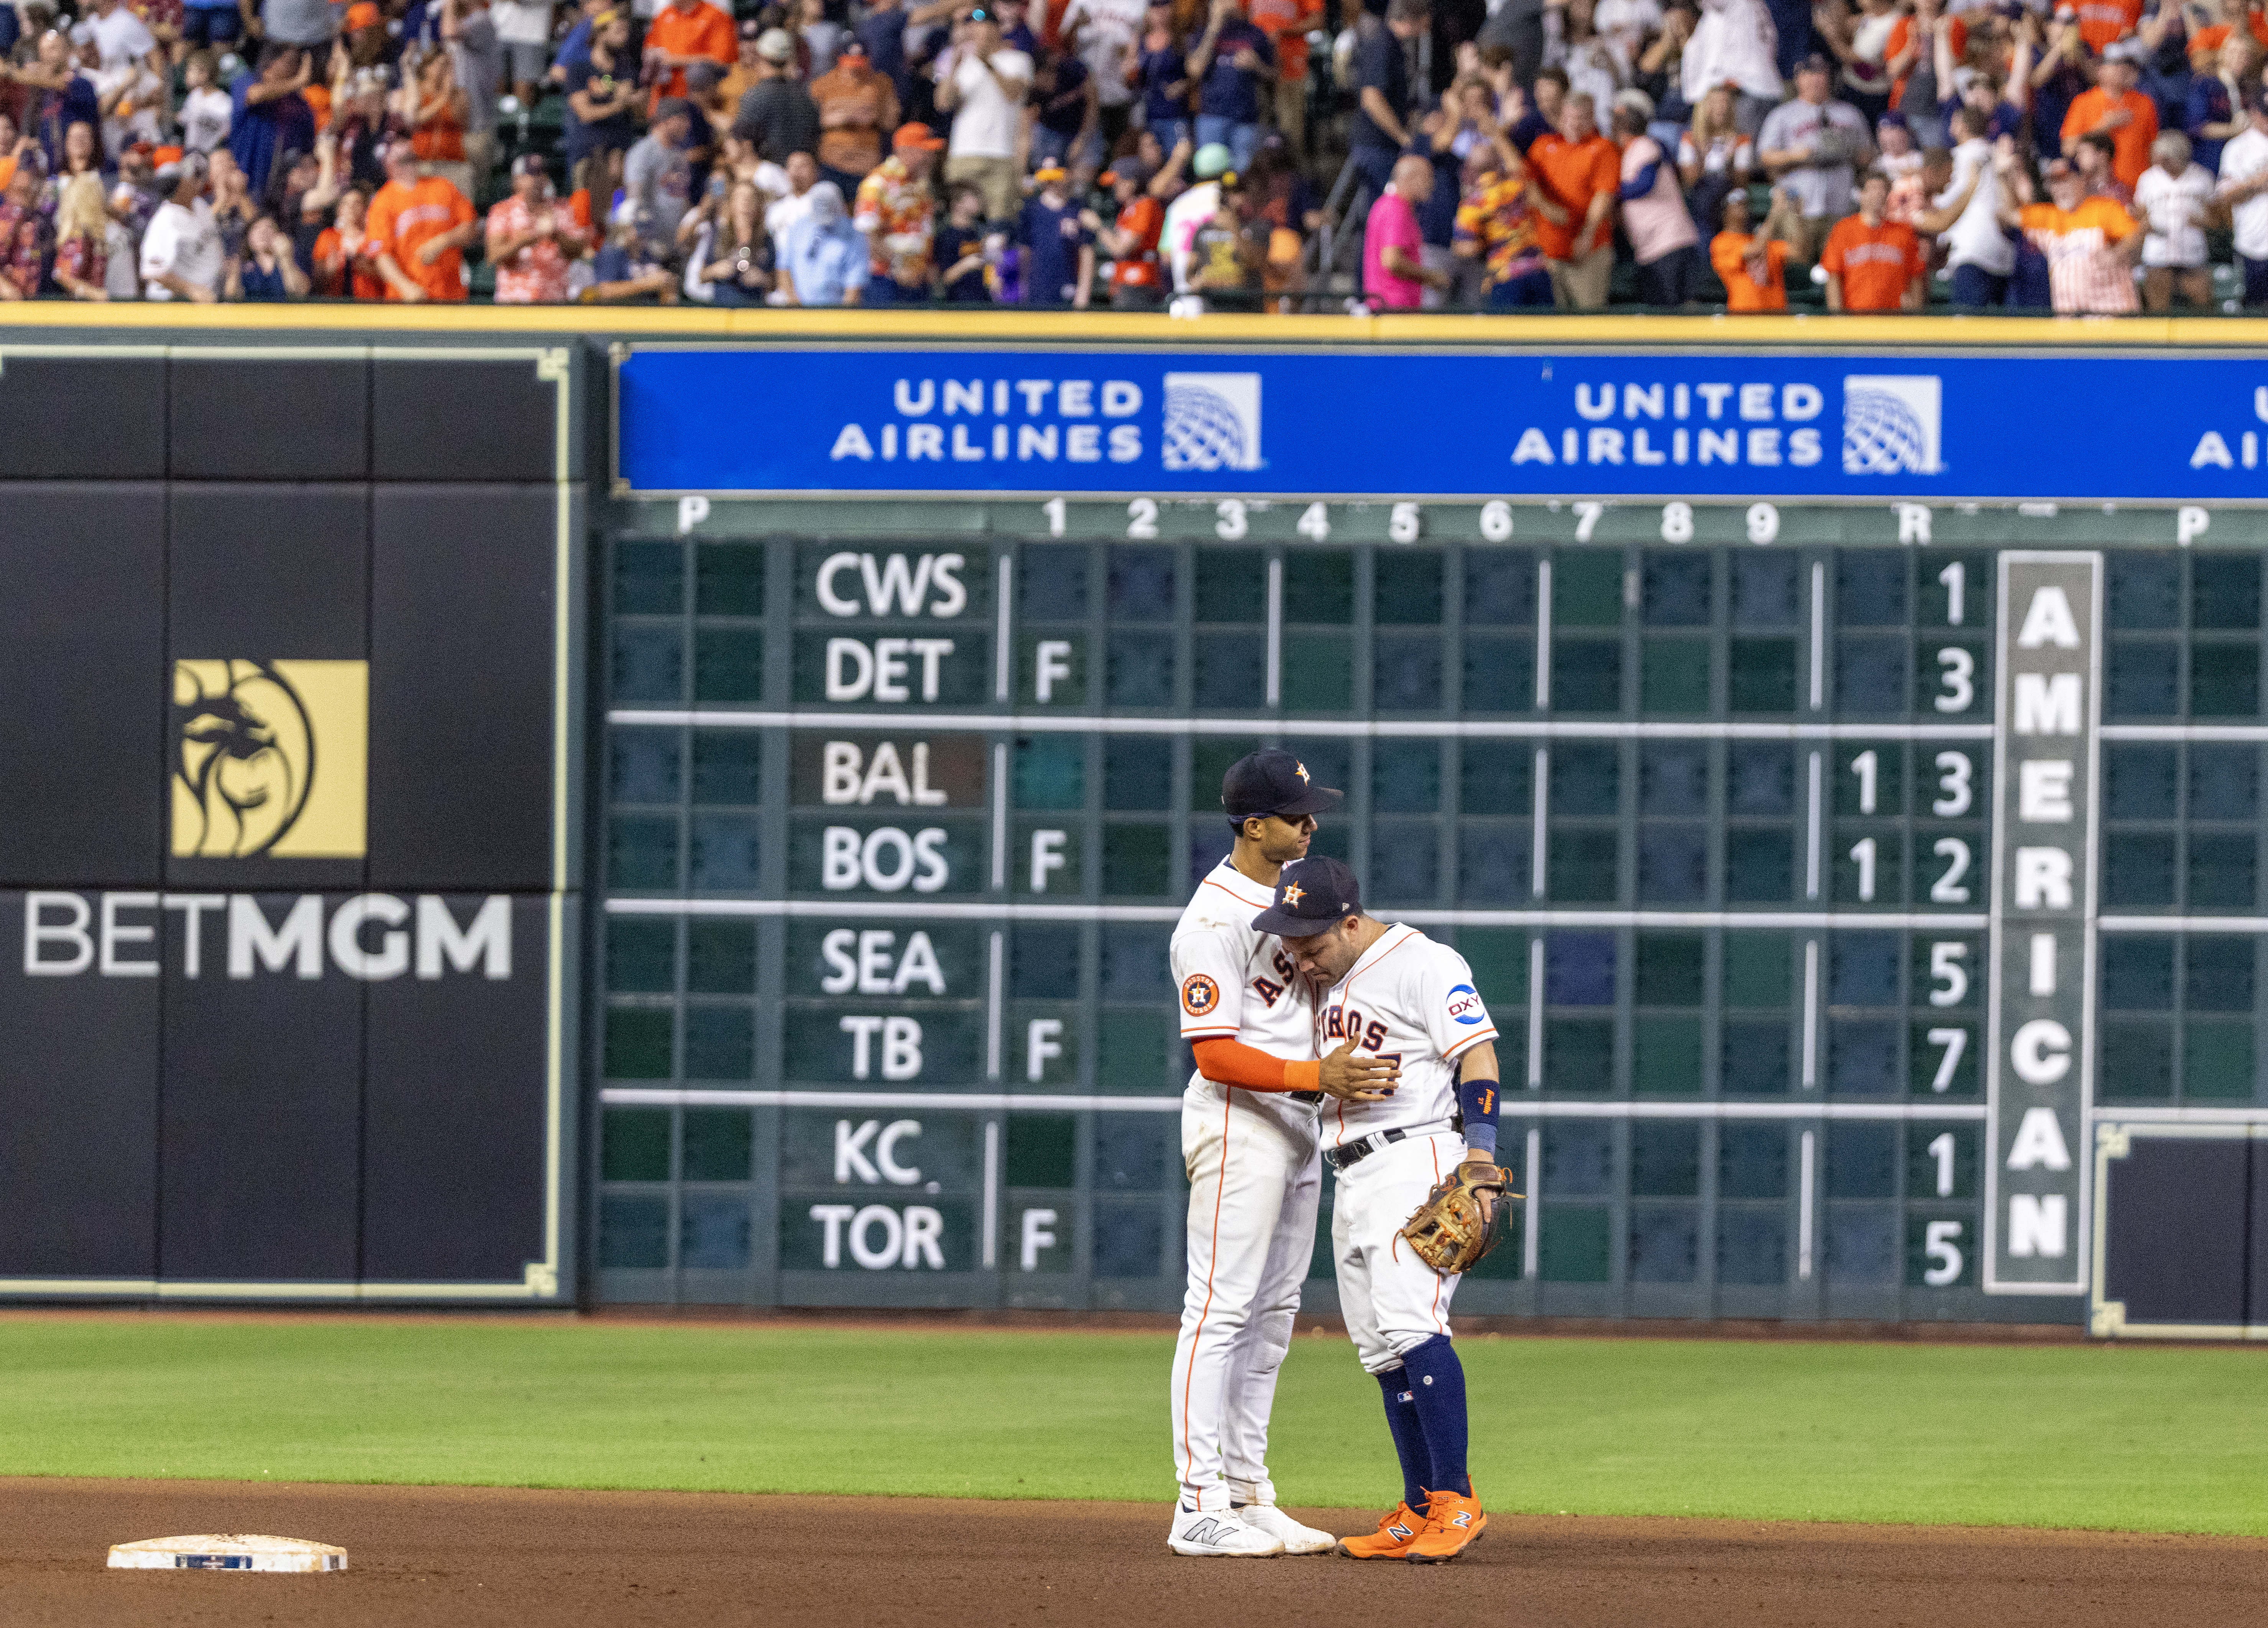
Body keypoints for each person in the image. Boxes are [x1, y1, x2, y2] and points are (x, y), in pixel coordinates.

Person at [1164, 755, 1391, 1561]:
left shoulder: (1291, 901)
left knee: (1270, 1321)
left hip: (1298, 1129)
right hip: (1239, 1122)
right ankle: (1197, 1502)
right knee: (1220, 1309)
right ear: (1253, 824)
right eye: (1296, 815)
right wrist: (1314, 1075)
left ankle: (1247, 1492)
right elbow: (1214, 1054)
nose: (1311, 825)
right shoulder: (1213, 919)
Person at [1251, 855, 1502, 1565]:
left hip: (1414, 1159)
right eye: (1292, 943)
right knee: (1377, 1347)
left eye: (1312, 942)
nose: (1300, 956)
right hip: (1352, 1167)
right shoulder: (1328, 981)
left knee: (1412, 1325)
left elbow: (1477, 1054)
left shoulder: (1422, 961)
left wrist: (1480, 1157)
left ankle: (1454, 1499)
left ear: (1352, 922)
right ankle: (1420, 1502)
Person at [1757, 53, 1872, 262]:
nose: (1816, 79)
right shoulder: (1783, 114)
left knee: (1837, 266)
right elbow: (1765, 156)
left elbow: (1868, 154)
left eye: (1821, 74)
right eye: (1810, 74)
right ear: (1799, 78)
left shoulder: (1850, 114)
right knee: (1797, 267)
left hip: (1840, 202)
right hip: (1799, 204)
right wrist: (1795, 155)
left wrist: (1849, 151)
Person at [2008, 154, 2141, 314]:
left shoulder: (2105, 209)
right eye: (2053, 182)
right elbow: (2009, 215)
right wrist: (2004, 177)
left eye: (2064, 179)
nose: (2059, 187)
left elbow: (2135, 236)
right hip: (2071, 324)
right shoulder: (2048, 216)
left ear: (2081, 179)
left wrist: (2117, 252)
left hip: (2112, 317)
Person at [935, 6, 1031, 221]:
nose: (975, 31)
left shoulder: (1017, 59)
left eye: (981, 25)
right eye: (972, 26)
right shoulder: (961, 63)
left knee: (999, 227)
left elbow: (1013, 93)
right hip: (963, 153)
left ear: (996, 29)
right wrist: (953, 67)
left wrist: (985, 60)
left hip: (1002, 155)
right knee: (961, 226)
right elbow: (943, 104)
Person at [1527, 90, 1620, 309]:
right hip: (1547, 252)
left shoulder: (1603, 148)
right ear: (1562, 117)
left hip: (1589, 251)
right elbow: (1525, 181)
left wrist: (1587, 235)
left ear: (1592, 118)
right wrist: (1545, 206)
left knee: (1589, 320)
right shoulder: (1543, 146)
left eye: (1583, 118)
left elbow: (1604, 196)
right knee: (1551, 326)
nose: (1575, 124)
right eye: (1571, 117)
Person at [365, 135, 479, 301]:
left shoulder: (442, 186)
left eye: (412, 156)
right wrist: (406, 288)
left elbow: (471, 227)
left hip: (451, 295)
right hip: (410, 298)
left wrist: (443, 241)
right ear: (388, 164)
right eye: (404, 159)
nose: (410, 161)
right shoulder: (383, 201)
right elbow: (381, 255)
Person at [1612, 90, 1699, 304]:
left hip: (1670, 242)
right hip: (1654, 246)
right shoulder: (1631, 151)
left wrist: (1611, 190)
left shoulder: (1646, 145)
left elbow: (1644, 185)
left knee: (1673, 314)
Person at [1454, 133, 1551, 307]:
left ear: (1471, 170)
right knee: (1545, 332)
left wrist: (1488, 234)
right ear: (1498, 164)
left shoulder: (1473, 204)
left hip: (1506, 276)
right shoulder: (1519, 186)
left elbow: (1466, 248)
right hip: (1538, 270)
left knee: (1508, 334)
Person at [853, 120, 943, 301]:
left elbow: (922, 233)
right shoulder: (877, 184)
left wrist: (927, 267)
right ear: (906, 151)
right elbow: (867, 237)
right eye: (925, 151)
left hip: (919, 283)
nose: (931, 157)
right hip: (885, 282)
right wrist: (899, 267)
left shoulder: (921, 186)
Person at [1349, 0, 1427, 199]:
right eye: (1424, 24)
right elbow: (1371, 98)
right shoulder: (1383, 45)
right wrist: (1403, 137)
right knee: (1390, 210)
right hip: (1378, 147)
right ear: (1411, 20)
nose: (1425, 31)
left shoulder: (1391, 44)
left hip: (1378, 146)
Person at [1184, 0, 1273, 175]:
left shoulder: (1255, 33)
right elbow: (1195, 70)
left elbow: (1274, 75)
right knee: (1209, 176)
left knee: (1243, 178)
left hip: (1246, 119)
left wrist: (1257, 65)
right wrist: (1214, 27)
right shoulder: (1201, 34)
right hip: (1211, 117)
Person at [487, 152, 590, 302]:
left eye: (541, 174)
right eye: (531, 175)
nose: (537, 180)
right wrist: (524, 241)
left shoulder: (562, 208)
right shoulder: (503, 211)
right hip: (515, 302)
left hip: (554, 301)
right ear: (517, 181)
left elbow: (579, 251)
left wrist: (556, 235)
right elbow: (494, 255)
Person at [1819, 166, 1924, 309]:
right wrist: (1837, 317)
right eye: (1873, 189)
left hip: (1894, 318)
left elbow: (1916, 275)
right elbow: (1834, 277)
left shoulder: (1903, 232)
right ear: (1861, 194)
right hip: (1856, 317)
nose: (1879, 194)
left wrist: (1915, 314)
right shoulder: (1843, 230)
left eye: (1883, 190)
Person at [2133, 129, 2213, 311]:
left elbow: (2217, 218)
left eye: (2166, 157)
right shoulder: (2148, 179)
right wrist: (2145, 224)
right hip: (2158, 253)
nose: (2161, 161)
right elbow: (2140, 215)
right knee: (2157, 312)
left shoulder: (2202, 177)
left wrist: (2203, 221)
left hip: (2192, 251)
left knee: (2203, 309)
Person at [2061, 45, 2158, 195]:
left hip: (2139, 189)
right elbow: (2069, 149)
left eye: (2126, 64)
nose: (2122, 68)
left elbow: (2154, 149)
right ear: (2100, 70)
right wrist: (2103, 126)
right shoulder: (2084, 103)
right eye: (2115, 64)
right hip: (2098, 191)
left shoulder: (2145, 102)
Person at [811, 38, 898, 197]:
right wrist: (843, 117)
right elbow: (812, 120)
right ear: (840, 60)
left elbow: (892, 122)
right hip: (832, 162)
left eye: (860, 63)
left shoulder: (881, 84)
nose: (855, 69)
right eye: (850, 63)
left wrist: (875, 115)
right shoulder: (823, 84)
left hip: (867, 163)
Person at [230, 43, 317, 199]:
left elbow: (307, 152)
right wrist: (298, 82)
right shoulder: (246, 81)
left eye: (298, 63)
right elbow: (254, 96)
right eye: (290, 62)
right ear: (271, 61)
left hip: (278, 195)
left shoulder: (301, 106)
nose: (296, 68)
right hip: (241, 186)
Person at [565, 11, 640, 179]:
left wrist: (631, 100)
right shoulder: (579, 70)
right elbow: (586, 114)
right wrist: (623, 103)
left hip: (619, 153)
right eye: (619, 31)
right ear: (601, 33)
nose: (625, 37)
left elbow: (639, 106)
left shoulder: (626, 68)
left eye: (626, 31)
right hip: (588, 153)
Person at [140, 152, 225, 301]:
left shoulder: (200, 205)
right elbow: (152, 271)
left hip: (206, 300)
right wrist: (191, 289)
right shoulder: (164, 221)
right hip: (174, 306)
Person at [732, 28, 822, 163]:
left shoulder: (756, 96)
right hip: (803, 174)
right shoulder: (806, 95)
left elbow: (740, 143)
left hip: (769, 177)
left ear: (761, 56)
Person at [1710, 182, 1798, 309]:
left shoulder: (1760, 239)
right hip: (1745, 316)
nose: (1743, 207)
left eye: (1745, 204)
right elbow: (1755, 250)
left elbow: (1796, 252)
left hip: (1776, 316)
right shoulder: (1721, 242)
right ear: (1725, 211)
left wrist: (1792, 214)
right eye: (1737, 203)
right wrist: (1775, 213)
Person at [1017, 162, 1095, 305]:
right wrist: (1023, 286)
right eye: (1046, 178)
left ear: (1067, 176)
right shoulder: (1030, 210)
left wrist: (1083, 293)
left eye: (1055, 177)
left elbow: (1087, 252)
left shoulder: (1078, 209)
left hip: (1068, 287)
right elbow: (1025, 252)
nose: (1050, 182)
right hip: (1038, 288)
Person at [780, 178, 869, 302]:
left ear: (841, 206)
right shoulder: (798, 228)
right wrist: (795, 307)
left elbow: (854, 285)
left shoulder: (854, 234)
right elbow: (784, 267)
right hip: (799, 312)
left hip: (836, 313)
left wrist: (842, 319)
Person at [626, 98, 697, 252]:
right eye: (682, 119)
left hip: (676, 244)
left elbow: (681, 196)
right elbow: (634, 197)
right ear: (665, 120)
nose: (688, 125)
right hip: (652, 245)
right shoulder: (643, 152)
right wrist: (641, 233)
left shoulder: (679, 155)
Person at [688, 176, 775, 302]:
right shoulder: (716, 234)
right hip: (722, 307)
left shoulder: (767, 239)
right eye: (740, 198)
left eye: (750, 199)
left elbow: (777, 282)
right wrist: (714, 271)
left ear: (758, 207)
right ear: (731, 204)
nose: (745, 203)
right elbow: (698, 277)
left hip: (755, 309)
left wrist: (763, 279)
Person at [2218, 92, 2268, 307]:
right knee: (2254, 307)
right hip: (2252, 238)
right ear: (2255, 113)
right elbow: (2225, 197)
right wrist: (2257, 183)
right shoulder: (2238, 148)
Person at [645, 0, 736, 112]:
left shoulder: (716, 16)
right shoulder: (664, 15)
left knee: (698, 72)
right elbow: (650, 48)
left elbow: (722, 59)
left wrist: (676, 60)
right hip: (665, 91)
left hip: (699, 92)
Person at [1097, 160, 1166, 305]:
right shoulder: (1127, 209)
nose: (1114, 188)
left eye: (1118, 183)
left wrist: (1098, 226)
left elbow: (1121, 248)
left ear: (1132, 184)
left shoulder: (1145, 206)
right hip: (1125, 284)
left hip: (1140, 284)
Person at [1135, 0, 1192, 155]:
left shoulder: (1181, 40)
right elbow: (1133, 79)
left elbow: (1195, 74)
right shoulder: (1141, 41)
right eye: (1155, 7)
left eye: (1164, 6)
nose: (1160, 12)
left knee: (1178, 160)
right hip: (1149, 115)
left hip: (1175, 114)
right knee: (1150, 163)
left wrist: (1183, 85)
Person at [49, 171, 113, 299]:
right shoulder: (76, 236)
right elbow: (61, 274)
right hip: (80, 312)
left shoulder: (92, 237)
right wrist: (93, 294)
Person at [312, 184, 386, 294]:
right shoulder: (328, 237)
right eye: (346, 204)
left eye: (357, 203)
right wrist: (329, 271)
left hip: (371, 304)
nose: (351, 208)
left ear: (365, 208)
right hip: (336, 305)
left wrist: (367, 267)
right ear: (340, 209)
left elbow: (388, 275)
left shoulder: (375, 238)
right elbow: (316, 281)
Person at [228, 211, 310, 296]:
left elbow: (300, 292)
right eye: (257, 228)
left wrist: (285, 259)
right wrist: (234, 275)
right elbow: (232, 297)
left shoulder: (293, 256)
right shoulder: (244, 266)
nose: (263, 232)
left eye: (269, 228)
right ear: (249, 238)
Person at [933, 179, 992, 299]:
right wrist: (966, 265)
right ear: (957, 204)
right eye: (973, 197)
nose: (978, 201)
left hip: (983, 302)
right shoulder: (946, 236)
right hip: (958, 306)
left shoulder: (979, 233)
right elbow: (943, 279)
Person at [182, 51, 234, 154]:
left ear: (204, 74)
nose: (187, 74)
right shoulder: (195, 95)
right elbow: (184, 118)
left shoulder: (224, 101)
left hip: (211, 155)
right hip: (189, 152)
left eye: (191, 70)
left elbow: (225, 133)